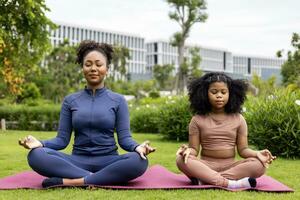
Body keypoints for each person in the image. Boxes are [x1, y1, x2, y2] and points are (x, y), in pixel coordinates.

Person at [19, 40, 155, 188]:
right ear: (83, 68)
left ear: (107, 69)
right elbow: (61, 140)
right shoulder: (70, 100)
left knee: (140, 160)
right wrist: (40, 143)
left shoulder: (118, 100)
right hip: (76, 161)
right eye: (88, 64)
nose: (93, 68)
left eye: (98, 64)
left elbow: (125, 139)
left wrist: (137, 147)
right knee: (36, 155)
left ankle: (73, 181)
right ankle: (98, 178)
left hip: (109, 161)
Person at [176, 72, 276, 189]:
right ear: (204, 94)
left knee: (260, 165)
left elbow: (243, 150)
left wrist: (257, 153)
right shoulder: (197, 120)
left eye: (223, 92)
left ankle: (206, 179)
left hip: (232, 167)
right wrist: (187, 151)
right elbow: (194, 150)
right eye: (214, 92)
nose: (219, 96)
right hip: (206, 165)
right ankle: (230, 183)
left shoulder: (239, 119)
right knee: (181, 160)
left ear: (231, 94)